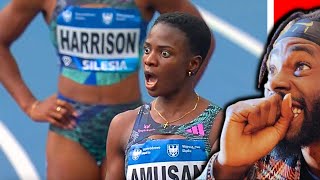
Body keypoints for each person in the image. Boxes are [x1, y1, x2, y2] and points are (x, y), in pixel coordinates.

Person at [0, 0, 214, 179]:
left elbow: (201, 39)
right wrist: (30, 105)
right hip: (72, 123)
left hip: (130, 127)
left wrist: (174, 101)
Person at [197, 8, 320, 179]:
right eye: (272, 69)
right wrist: (228, 169)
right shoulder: (264, 162)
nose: (274, 83)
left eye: (301, 66)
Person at [105, 12, 224, 180]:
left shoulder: (220, 126)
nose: (149, 60)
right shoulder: (123, 126)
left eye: (165, 53)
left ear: (193, 64)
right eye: (147, 50)